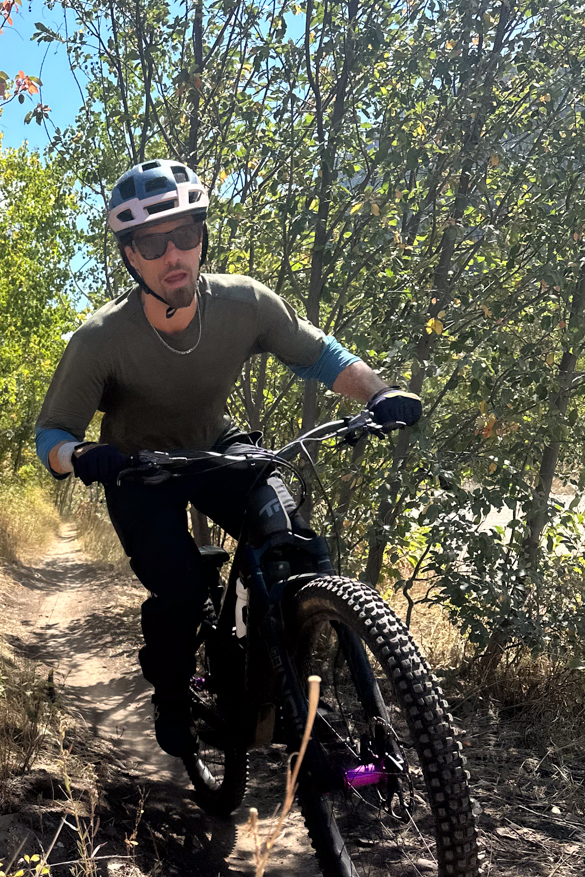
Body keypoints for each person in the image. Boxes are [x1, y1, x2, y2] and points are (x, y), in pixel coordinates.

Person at [34, 159, 421, 757]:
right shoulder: (101, 339)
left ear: (202, 236)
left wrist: (379, 393)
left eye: (185, 234)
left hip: (215, 446)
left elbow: (321, 355)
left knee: (294, 543)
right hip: (138, 470)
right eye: (152, 242)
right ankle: (171, 694)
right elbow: (51, 435)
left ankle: (281, 683)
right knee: (184, 592)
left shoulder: (243, 303)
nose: (172, 254)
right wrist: (81, 455)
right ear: (130, 256)